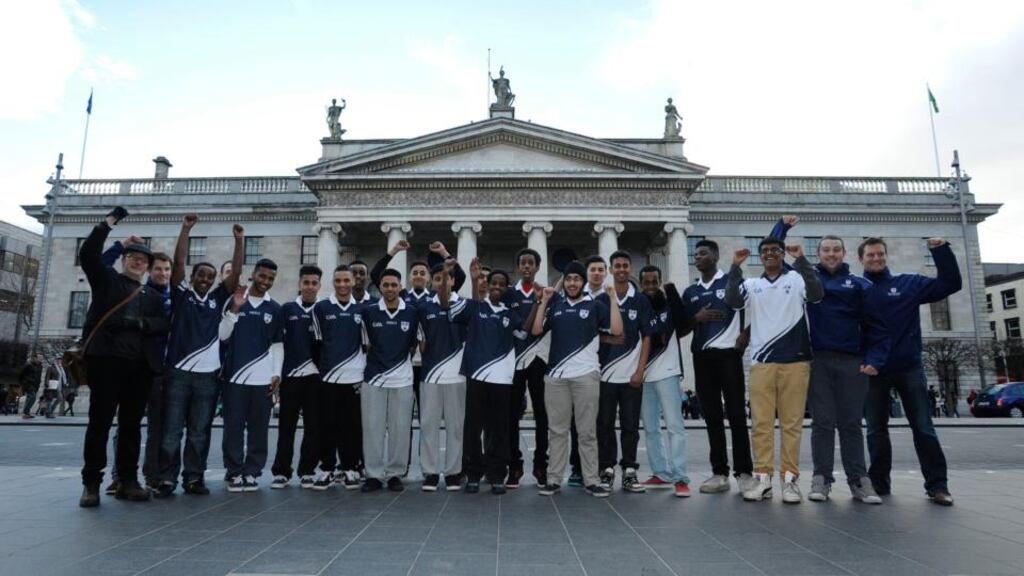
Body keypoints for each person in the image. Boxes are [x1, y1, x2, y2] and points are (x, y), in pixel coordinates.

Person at [78, 206, 170, 507]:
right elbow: (89, 254)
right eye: (133, 257)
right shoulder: (107, 281)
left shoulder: (152, 296)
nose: (138, 262)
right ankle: (91, 482)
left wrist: (141, 323)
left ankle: (128, 480)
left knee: (131, 426)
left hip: (138, 368)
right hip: (106, 363)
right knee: (99, 424)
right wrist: (110, 225)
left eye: (143, 260)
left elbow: (162, 325)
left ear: (146, 267)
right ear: (125, 260)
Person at [859, 237, 960, 506]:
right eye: (870, 255)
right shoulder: (858, 289)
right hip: (872, 371)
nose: (876, 259)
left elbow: (950, 284)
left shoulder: (908, 283)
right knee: (875, 431)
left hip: (908, 367)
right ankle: (879, 484)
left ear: (886, 256)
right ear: (861, 260)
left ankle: (938, 486)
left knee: (924, 428)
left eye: (880, 254)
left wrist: (940, 251)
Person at [725, 237, 823, 503]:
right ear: (760, 257)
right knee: (761, 424)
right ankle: (763, 479)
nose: (770, 254)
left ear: (782, 255)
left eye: (775, 251)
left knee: (791, 424)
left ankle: (790, 482)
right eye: (765, 251)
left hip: (796, 359)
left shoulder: (796, 279)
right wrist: (735, 266)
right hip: (762, 361)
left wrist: (801, 259)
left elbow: (816, 294)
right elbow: (732, 301)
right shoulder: (752, 284)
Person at [155, 214, 244, 497]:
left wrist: (240, 241)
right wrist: (185, 229)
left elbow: (236, 276)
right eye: (200, 275)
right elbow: (179, 262)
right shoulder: (182, 295)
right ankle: (167, 478)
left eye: (209, 276)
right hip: (178, 372)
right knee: (171, 431)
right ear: (191, 278)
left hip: (208, 375)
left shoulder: (219, 299)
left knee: (199, 431)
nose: (205, 279)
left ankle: (194, 477)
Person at [666, 239, 755, 495]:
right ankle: (719, 473)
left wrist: (747, 332)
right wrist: (697, 318)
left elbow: (760, 308)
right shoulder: (690, 292)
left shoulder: (732, 282)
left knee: (737, 415)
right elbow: (681, 329)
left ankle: (745, 473)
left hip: (729, 355)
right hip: (702, 358)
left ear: (715, 256)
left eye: (703, 253)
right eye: (696, 254)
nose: (698, 257)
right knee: (713, 417)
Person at [531, 261, 622, 498]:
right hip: (556, 377)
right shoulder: (557, 305)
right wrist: (543, 301)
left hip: (586, 376)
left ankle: (591, 480)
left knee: (587, 432)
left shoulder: (595, 305)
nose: (572, 283)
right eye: (569, 279)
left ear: (583, 282)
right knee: (557, 431)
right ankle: (553, 480)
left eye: (577, 279)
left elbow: (617, 331)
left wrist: (612, 300)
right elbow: (536, 330)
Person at [101, 240, 173, 493]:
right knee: (126, 423)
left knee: (158, 427)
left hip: (164, 368)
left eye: (167, 270)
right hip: (136, 366)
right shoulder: (137, 292)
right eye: (158, 269)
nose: (163, 274)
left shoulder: (172, 298)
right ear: (148, 271)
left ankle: (150, 475)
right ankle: (119, 474)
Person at [450, 265, 518, 494]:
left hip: (502, 379)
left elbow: (528, 331)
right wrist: (471, 279)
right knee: (473, 428)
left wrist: (541, 301)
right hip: (477, 376)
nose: (497, 286)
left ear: (507, 288)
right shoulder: (475, 307)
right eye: (493, 283)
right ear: (487, 285)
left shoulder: (510, 314)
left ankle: (497, 474)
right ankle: (473, 473)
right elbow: (449, 305)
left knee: (499, 429)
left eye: (501, 283)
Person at [218, 258, 283, 492]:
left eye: (270, 278)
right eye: (262, 276)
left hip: (263, 380)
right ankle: (234, 472)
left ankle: (252, 472)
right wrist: (234, 309)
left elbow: (277, 345)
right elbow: (223, 336)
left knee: (259, 429)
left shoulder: (274, 308)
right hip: (234, 377)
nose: (265, 281)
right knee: (233, 427)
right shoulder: (235, 300)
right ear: (253, 274)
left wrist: (276, 374)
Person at [596, 251, 653, 493]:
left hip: (631, 375)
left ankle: (629, 470)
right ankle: (606, 469)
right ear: (610, 269)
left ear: (629, 269)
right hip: (605, 375)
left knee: (630, 425)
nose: (621, 269)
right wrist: (607, 337)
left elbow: (647, 336)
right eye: (617, 266)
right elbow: (590, 333)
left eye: (625, 266)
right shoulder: (601, 299)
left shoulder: (640, 300)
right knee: (605, 424)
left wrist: (640, 370)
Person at [358, 268, 420, 492]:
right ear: (380, 287)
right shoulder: (369, 312)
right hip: (374, 378)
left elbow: (414, 345)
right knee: (372, 428)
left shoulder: (412, 312)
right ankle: (373, 474)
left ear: (401, 287)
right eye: (386, 285)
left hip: (402, 380)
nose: (390, 289)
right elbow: (366, 345)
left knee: (400, 429)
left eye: (394, 285)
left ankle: (395, 473)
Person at [311, 265, 368, 490]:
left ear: (354, 282)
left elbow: (366, 345)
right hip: (328, 378)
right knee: (327, 426)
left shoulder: (362, 310)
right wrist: (325, 370)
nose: (343, 285)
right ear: (333, 283)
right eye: (338, 281)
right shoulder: (321, 308)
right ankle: (327, 468)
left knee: (352, 427)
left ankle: (350, 468)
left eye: (347, 280)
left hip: (354, 378)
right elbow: (316, 343)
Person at [637, 265, 692, 497]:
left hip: (668, 372)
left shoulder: (669, 304)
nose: (650, 286)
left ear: (659, 281)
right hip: (643, 375)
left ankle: (680, 477)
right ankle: (661, 473)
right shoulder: (638, 307)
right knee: (650, 428)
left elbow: (685, 326)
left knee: (674, 426)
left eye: (654, 281)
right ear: (640, 284)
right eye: (646, 282)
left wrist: (671, 290)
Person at [270, 265, 323, 490]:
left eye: (314, 283)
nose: (309, 287)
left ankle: (307, 470)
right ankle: (281, 471)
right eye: (306, 283)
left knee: (314, 426)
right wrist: (276, 373)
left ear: (319, 286)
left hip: (315, 378)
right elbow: (277, 344)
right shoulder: (287, 309)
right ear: (299, 284)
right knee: (286, 426)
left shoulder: (323, 310)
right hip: (290, 376)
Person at [416, 261, 468, 492]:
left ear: (454, 281)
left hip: (458, 376)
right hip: (430, 375)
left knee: (456, 427)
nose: (442, 282)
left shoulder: (464, 307)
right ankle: (430, 472)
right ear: (432, 282)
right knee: (429, 425)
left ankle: (454, 472)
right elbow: (421, 343)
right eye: (438, 279)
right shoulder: (423, 308)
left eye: (447, 278)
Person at [502, 248, 550, 488]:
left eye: (531, 263)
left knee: (542, 413)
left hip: (539, 360)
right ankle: (514, 465)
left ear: (537, 267)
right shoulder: (509, 294)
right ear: (519, 267)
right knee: (512, 414)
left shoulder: (546, 293)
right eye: (523, 263)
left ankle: (541, 464)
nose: (527, 267)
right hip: (514, 360)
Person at [18, 353, 44, 419]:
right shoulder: (28, 364)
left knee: (29, 398)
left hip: (35, 385)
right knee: (33, 397)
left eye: (41, 358)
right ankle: (25, 412)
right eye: (39, 357)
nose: (41, 359)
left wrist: (38, 384)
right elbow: (21, 373)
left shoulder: (40, 366)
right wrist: (22, 383)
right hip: (28, 384)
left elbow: (39, 376)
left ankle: (27, 413)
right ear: (35, 358)